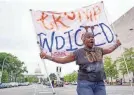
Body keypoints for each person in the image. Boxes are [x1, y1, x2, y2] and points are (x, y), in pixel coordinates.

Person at [40, 32, 121, 95]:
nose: (91, 39)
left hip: (100, 83)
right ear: (83, 40)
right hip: (85, 84)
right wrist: (47, 56)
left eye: (92, 37)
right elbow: (63, 60)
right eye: (88, 37)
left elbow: (110, 50)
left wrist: (117, 44)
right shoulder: (78, 53)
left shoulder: (99, 50)